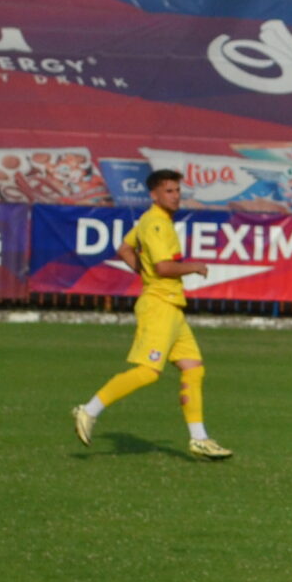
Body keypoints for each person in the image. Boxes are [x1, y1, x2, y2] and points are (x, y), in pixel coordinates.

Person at [71, 169, 232, 459]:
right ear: (154, 195)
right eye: (169, 191)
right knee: (148, 372)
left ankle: (199, 438)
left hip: (171, 306)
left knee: (193, 367)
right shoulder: (156, 224)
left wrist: (144, 272)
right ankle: (88, 410)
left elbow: (123, 248)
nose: (175, 195)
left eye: (177, 190)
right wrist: (193, 266)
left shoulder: (152, 220)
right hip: (159, 305)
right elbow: (163, 268)